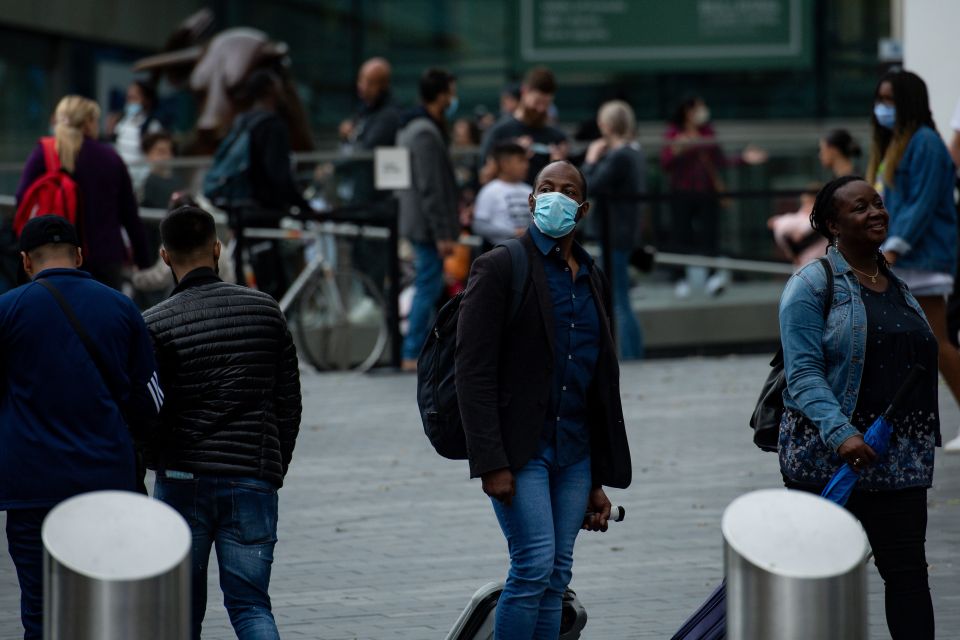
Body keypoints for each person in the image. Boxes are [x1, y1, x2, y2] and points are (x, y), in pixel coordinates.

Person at [456, 160, 631, 639]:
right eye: (546, 188)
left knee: (557, 574)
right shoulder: (500, 266)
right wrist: (491, 460)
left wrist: (596, 477)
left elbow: (598, 380)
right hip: (521, 450)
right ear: (532, 201)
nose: (556, 196)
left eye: (568, 190)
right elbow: (472, 371)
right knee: (533, 565)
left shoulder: (591, 276)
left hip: (574, 451)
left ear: (583, 207)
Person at [779, 176, 937, 640]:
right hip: (827, 460)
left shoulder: (897, 285)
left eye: (878, 203)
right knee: (822, 583)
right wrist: (841, 434)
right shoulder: (811, 285)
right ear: (832, 224)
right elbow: (802, 372)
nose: (876, 213)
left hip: (898, 459)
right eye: (860, 207)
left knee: (908, 577)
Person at [143, 205, 301, 640]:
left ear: (164, 256)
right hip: (251, 475)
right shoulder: (265, 310)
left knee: (180, 612)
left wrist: (156, 461)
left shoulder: (153, 324)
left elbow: (145, 411)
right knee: (251, 606)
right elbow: (289, 401)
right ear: (217, 248)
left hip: (181, 478)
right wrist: (271, 465)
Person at [0, 216, 161, 639]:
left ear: (25, 262)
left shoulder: (8, 310)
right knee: (107, 607)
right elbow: (151, 399)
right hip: (106, 481)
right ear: (80, 255)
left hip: (30, 487)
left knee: (41, 613)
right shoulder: (121, 307)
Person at [865, 70, 960, 454]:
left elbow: (920, 205)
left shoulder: (923, 143)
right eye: (880, 99)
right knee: (916, 344)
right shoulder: (896, 145)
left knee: (937, 342)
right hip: (905, 258)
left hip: (921, 259)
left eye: (890, 100)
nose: (882, 108)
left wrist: (892, 249)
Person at [15, 95, 153, 290]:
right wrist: (143, 260)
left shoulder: (44, 153)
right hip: (106, 259)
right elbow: (130, 215)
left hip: (54, 258)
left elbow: (22, 197)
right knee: (104, 317)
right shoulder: (110, 157)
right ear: (88, 122)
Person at [660, 95, 765, 297]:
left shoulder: (707, 132)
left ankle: (712, 277)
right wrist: (677, 149)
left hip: (706, 191)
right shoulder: (674, 132)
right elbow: (666, 164)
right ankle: (680, 278)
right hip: (682, 192)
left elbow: (720, 160)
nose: (703, 111)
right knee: (682, 235)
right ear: (688, 111)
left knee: (710, 235)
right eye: (699, 108)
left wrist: (743, 158)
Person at [225, 69, 310, 300]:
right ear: (271, 91)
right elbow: (279, 176)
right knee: (273, 290)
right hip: (264, 214)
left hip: (238, 208)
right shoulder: (273, 125)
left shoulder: (241, 121)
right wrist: (305, 207)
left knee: (247, 284)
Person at [396, 68, 460, 372]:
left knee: (430, 284)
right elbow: (431, 186)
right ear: (441, 94)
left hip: (422, 222)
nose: (454, 98)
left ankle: (423, 349)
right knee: (428, 285)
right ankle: (412, 352)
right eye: (451, 91)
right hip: (425, 225)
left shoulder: (419, 126)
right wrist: (442, 232)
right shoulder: (424, 131)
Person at [583, 100, 646, 360]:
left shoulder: (619, 156)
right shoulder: (634, 152)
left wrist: (590, 159)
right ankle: (631, 353)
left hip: (614, 234)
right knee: (620, 297)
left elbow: (590, 184)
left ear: (607, 125)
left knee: (619, 300)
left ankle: (630, 356)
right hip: (625, 232)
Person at [479, 67, 567, 185]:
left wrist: (559, 164)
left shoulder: (556, 137)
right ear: (524, 92)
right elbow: (483, 178)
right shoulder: (499, 132)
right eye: (537, 102)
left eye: (546, 104)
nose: (540, 109)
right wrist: (513, 154)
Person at [471, 141, 532, 246]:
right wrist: (513, 233)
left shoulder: (529, 190)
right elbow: (479, 225)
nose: (526, 166)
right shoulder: (490, 191)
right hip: (497, 250)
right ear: (505, 164)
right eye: (521, 161)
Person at [111, 80, 165, 193]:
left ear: (147, 100)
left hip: (141, 184)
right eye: (128, 98)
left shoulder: (153, 126)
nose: (130, 103)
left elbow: (155, 158)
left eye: (134, 98)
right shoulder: (121, 122)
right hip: (121, 179)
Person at [339, 57, 400, 152]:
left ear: (383, 86)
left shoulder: (388, 116)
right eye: (360, 80)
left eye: (369, 83)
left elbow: (365, 154)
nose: (362, 86)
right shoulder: (365, 108)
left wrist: (333, 167)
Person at [767, 184, 827, 269]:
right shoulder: (801, 217)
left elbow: (809, 225)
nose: (806, 206)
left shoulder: (821, 217)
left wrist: (801, 232)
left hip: (817, 262)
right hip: (805, 264)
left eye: (808, 203)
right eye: (805, 203)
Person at [140, 132, 179, 209]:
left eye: (170, 151)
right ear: (148, 154)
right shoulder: (143, 183)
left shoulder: (177, 181)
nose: (167, 157)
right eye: (161, 152)